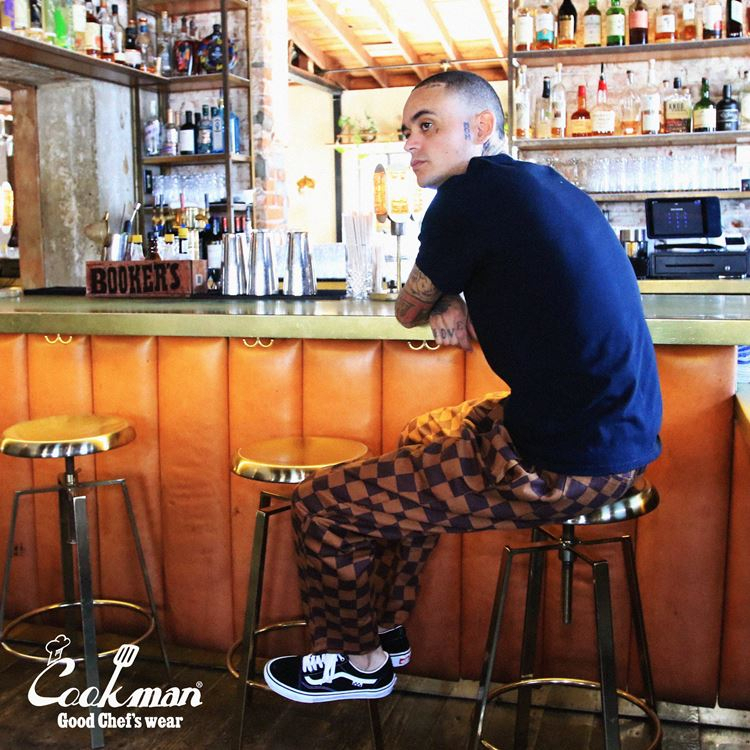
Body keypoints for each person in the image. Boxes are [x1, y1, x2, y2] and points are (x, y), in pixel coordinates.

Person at [263, 70, 662, 704]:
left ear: (480, 128)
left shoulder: (467, 195)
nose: (410, 143)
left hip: (563, 462)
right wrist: (447, 293)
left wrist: (439, 294)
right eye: (406, 130)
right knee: (421, 433)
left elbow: (407, 307)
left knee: (320, 505)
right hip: (613, 436)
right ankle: (386, 627)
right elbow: (437, 290)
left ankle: (355, 662)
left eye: (427, 126)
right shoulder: (537, 182)